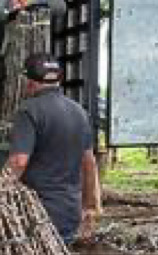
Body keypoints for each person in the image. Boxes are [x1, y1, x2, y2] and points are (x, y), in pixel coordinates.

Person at [7, 53, 101, 244]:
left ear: (30, 82)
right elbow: (89, 163)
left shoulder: (28, 110)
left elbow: (19, 161)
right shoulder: (79, 112)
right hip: (69, 213)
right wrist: (89, 207)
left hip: (36, 213)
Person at [0, 0, 67, 22]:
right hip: (16, 36)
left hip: (40, 37)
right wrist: (11, 9)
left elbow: (61, 8)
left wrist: (29, 3)